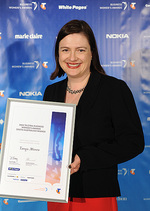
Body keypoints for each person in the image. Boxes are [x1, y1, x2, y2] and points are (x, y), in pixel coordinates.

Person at [43, 20, 145, 211]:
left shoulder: (114, 89)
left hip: (96, 194)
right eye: (65, 50)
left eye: (80, 50)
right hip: (57, 192)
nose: (72, 57)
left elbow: (133, 142)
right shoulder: (51, 92)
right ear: (58, 54)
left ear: (92, 53)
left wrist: (85, 158)